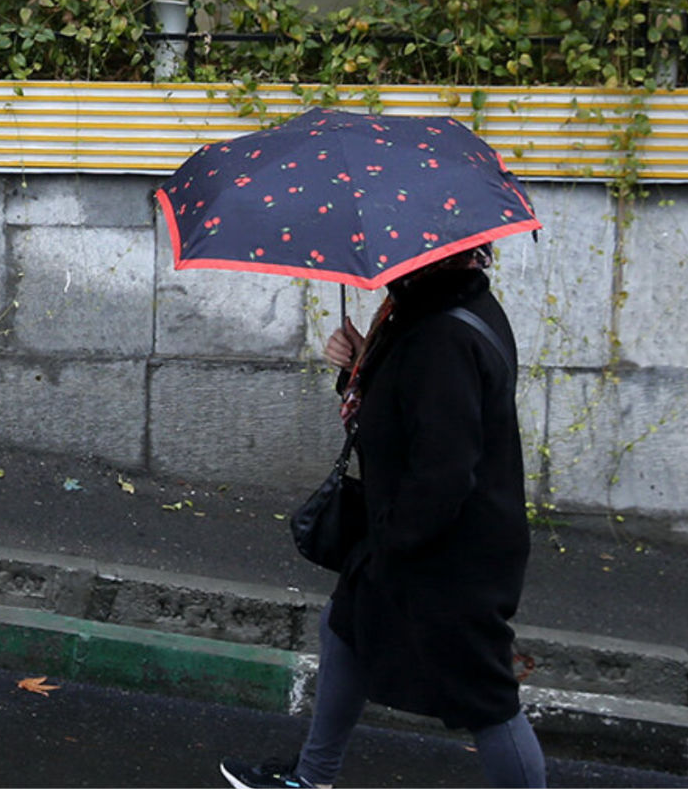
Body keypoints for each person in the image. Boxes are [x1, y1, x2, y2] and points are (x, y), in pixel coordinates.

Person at [220, 245, 546, 789]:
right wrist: (357, 365)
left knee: (488, 699)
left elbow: (444, 470)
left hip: (451, 552)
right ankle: (312, 777)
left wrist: (391, 545)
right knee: (343, 626)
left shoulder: (443, 334)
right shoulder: (423, 311)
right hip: (420, 534)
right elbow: (400, 411)